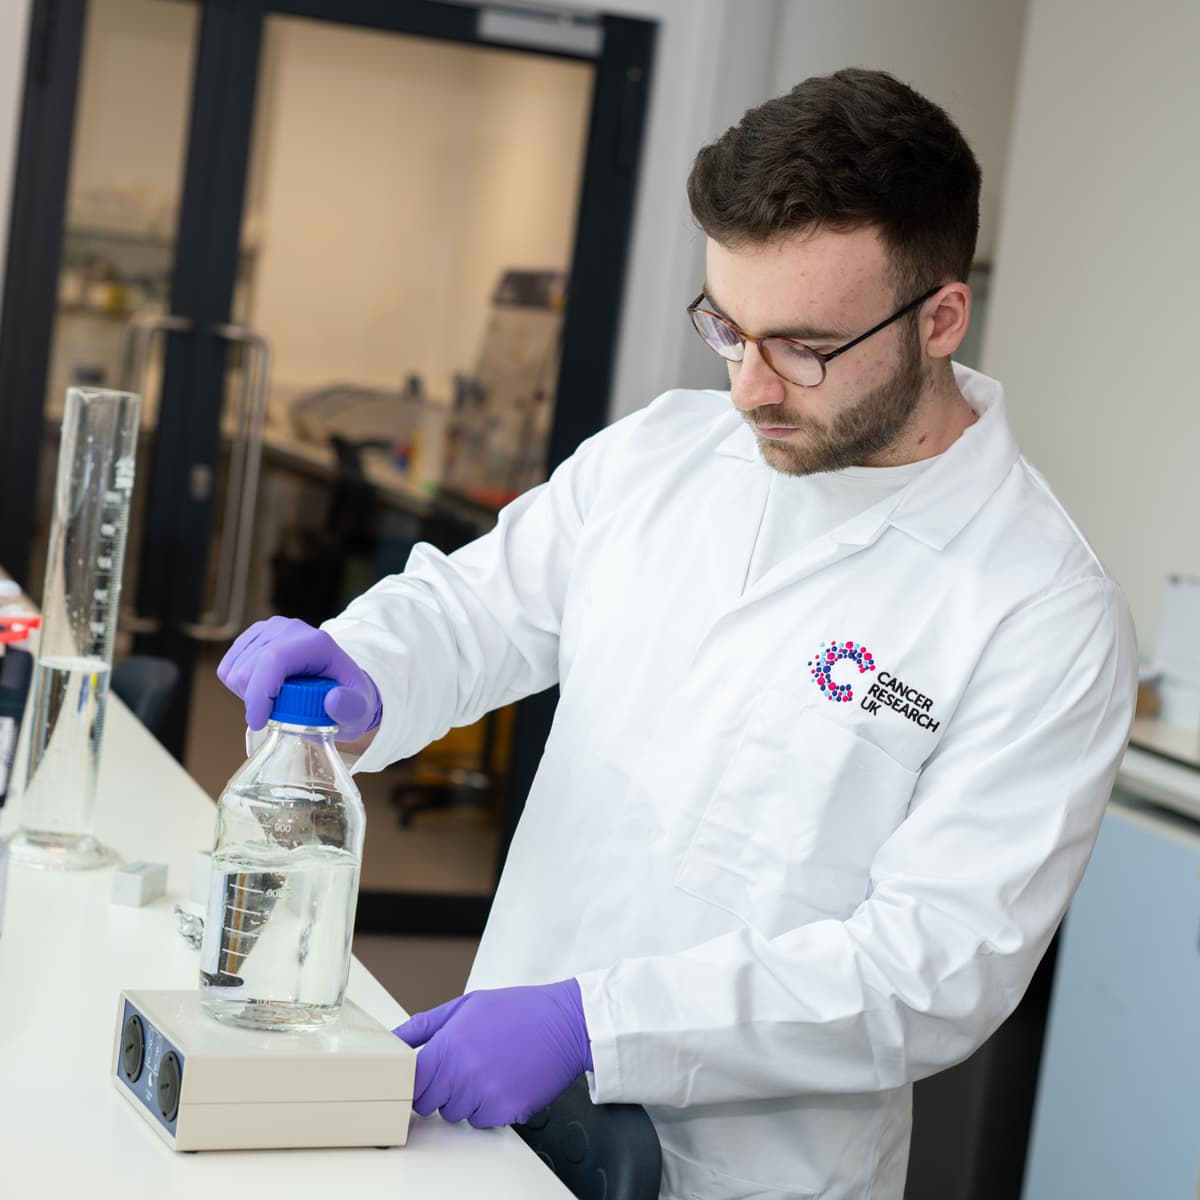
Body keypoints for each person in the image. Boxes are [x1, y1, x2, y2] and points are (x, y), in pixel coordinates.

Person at [218, 68, 1136, 1200]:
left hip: (754, 1175)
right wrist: (365, 660)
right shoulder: (664, 453)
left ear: (940, 318)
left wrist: (597, 1024)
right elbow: (479, 608)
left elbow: (931, 971)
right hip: (496, 1132)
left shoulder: (1042, 610)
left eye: (804, 346)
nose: (752, 387)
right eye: (727, 328)